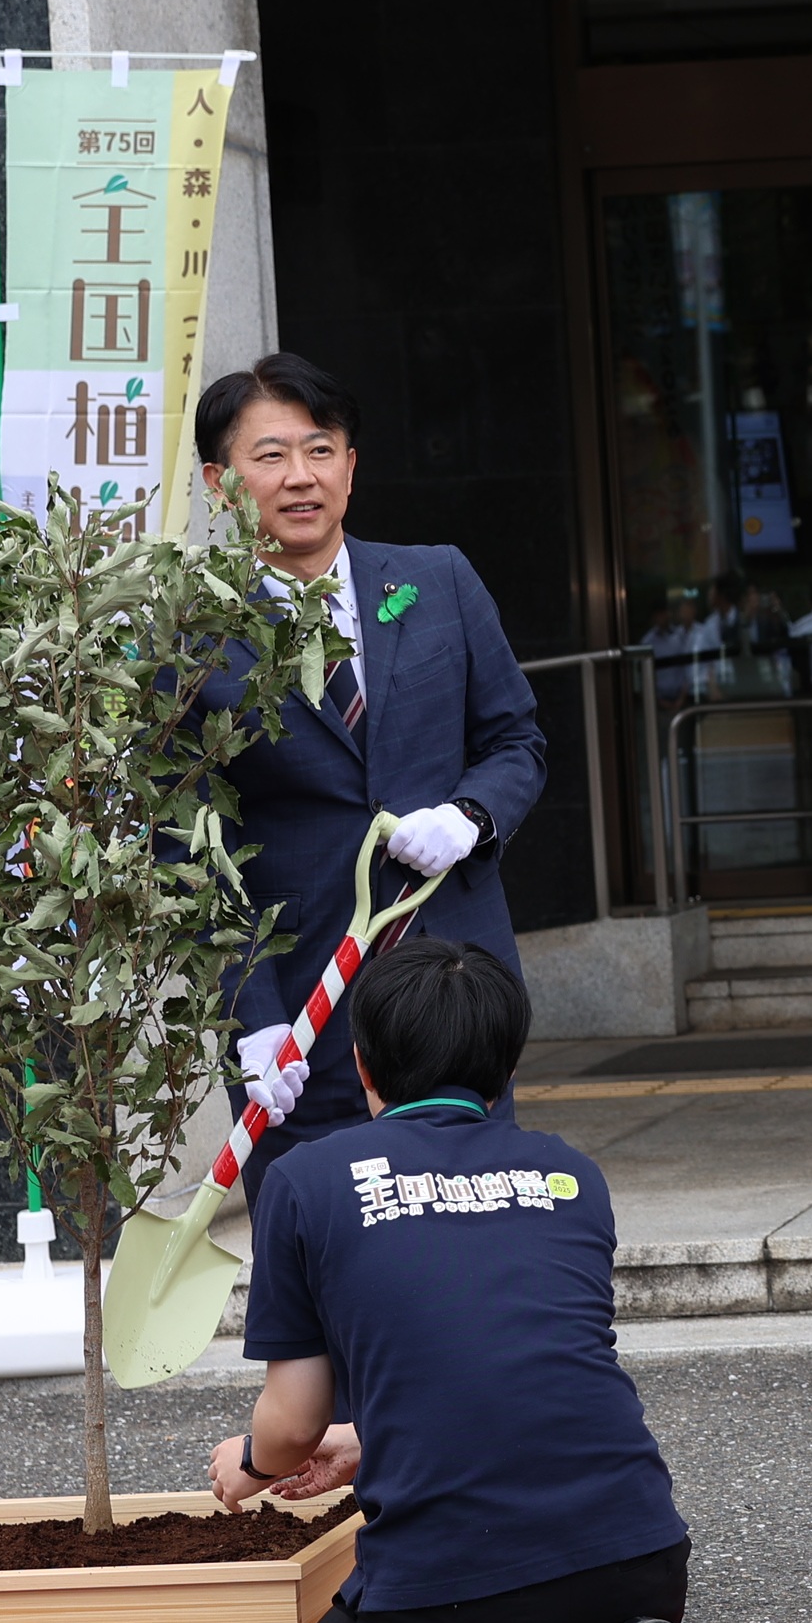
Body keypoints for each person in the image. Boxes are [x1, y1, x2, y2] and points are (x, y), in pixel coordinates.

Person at [214, 934, 721, 1623]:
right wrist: (369, 1441)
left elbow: (291, 1425)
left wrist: (248, 1464)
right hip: (640, 1557)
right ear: (507, 1065)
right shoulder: (571, 1175)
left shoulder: (306, 1182)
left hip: (451, 1580)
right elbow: (515, 1365)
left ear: (362, 1065)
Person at [197, 351, 548, 1184]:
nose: (301, 476)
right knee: (316, 1227)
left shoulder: (439, 580)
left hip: (456, 988)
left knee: (470, 1220)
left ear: (350, 468)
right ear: (221, 484)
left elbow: (517, 741)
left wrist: (468, 815)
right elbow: (192, 847)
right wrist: (252, 1017)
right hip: (303, 1009)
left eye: (320, 450)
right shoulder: (191, 637)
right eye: (271, 455)